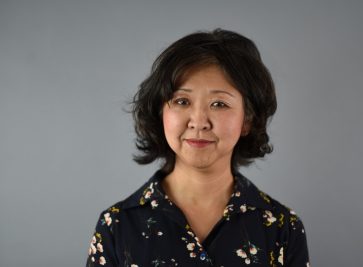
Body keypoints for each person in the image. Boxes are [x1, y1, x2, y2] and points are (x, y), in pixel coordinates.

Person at [86, 29, 310, 267]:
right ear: (161, 112)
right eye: (182, 101)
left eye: (219, 104)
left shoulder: (282, 227)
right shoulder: (117, 225)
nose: (199, 122)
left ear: (247, 120)